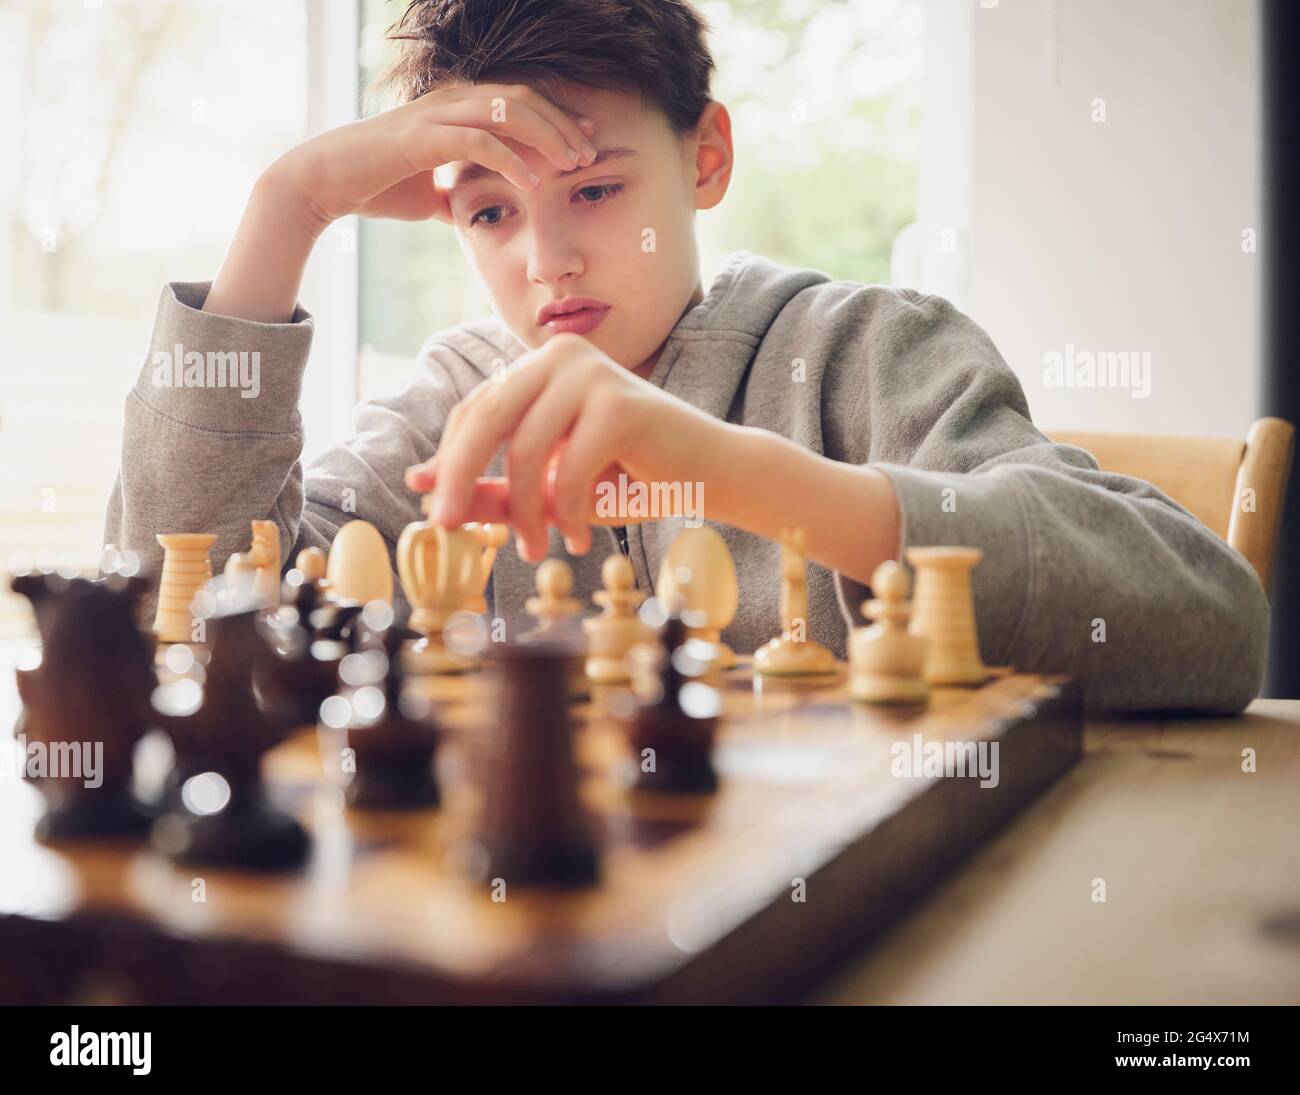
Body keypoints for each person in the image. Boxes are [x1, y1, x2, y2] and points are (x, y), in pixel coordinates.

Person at [104, 0, 1267, 712]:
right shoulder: (451, 409)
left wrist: (739, 471)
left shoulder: (868, 353)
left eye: (596, 190)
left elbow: (1213, 626)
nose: (546, 262)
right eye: (490, 214)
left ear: (704, 157)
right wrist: (289, 204)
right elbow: (167, 611)